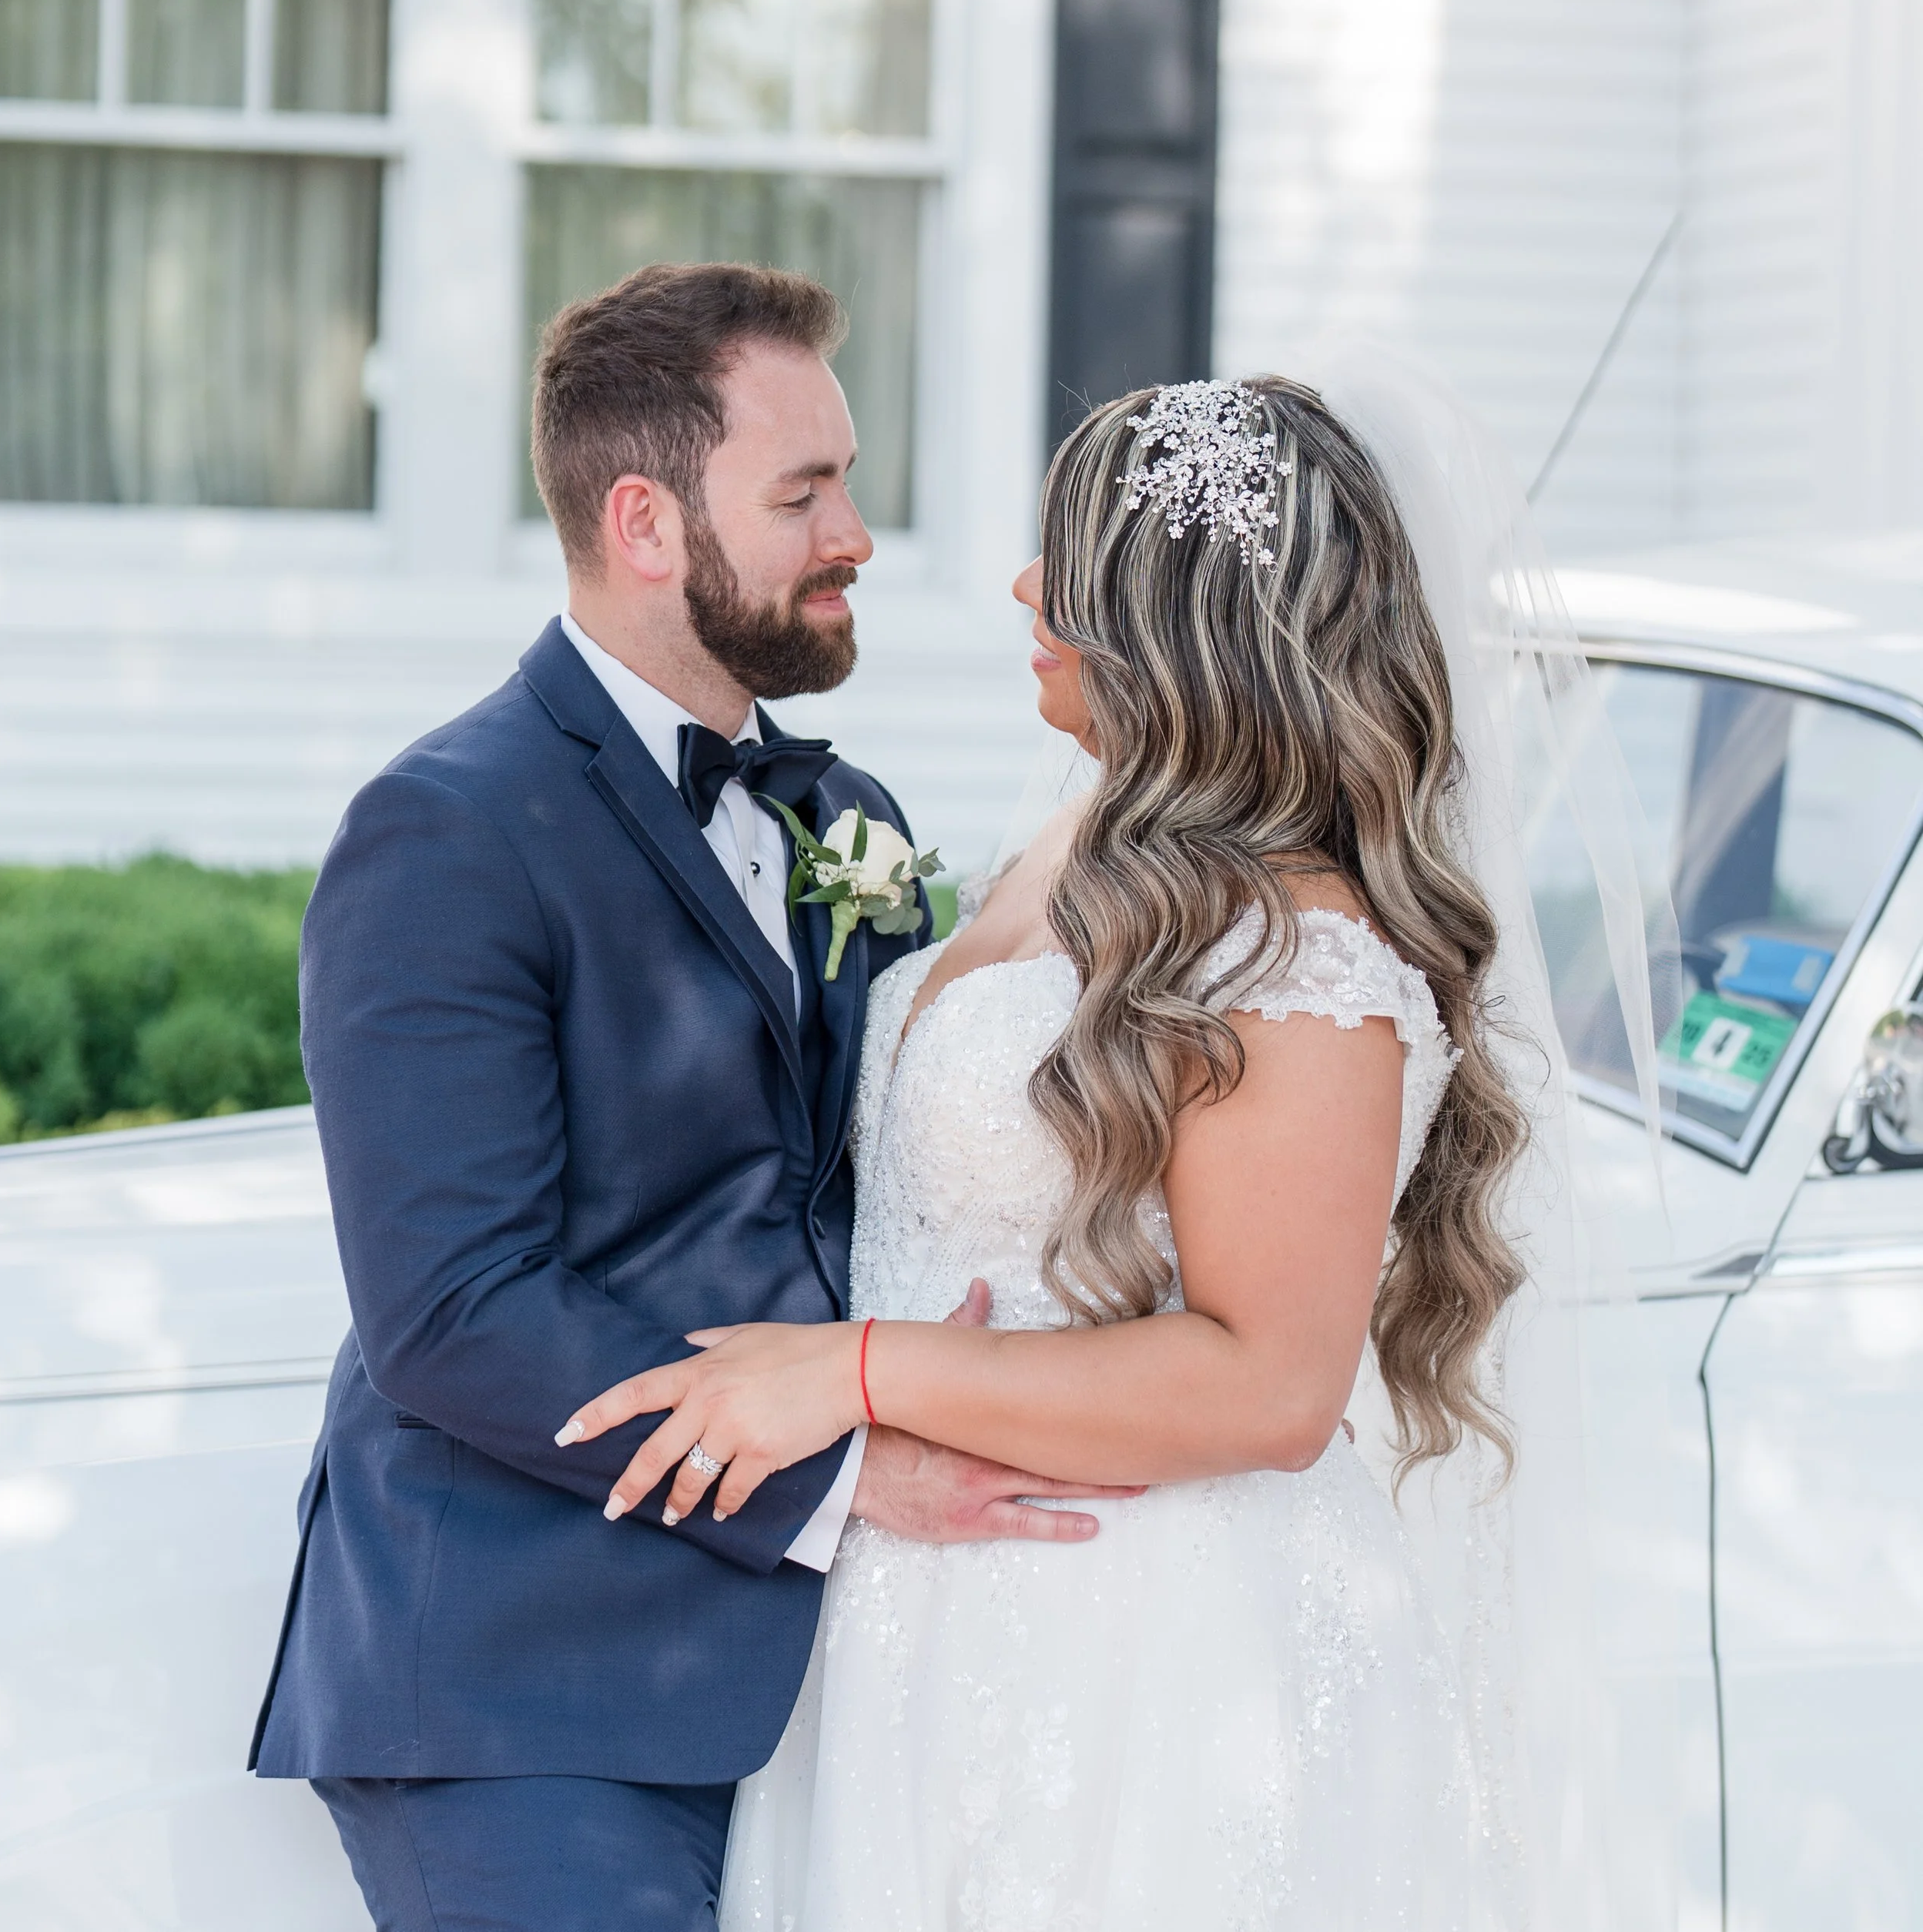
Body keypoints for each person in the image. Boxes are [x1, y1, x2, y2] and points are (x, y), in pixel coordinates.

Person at [558, 371, 1583, 1929]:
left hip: (1153, 1665)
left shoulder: (1292, 939)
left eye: (1071, 557)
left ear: (1186, 616)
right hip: (923, 1635)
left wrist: (845, 1369)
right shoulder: (1084, 839)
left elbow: (1267, 1383)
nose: (1025, 586)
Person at [249, 263, 1127, 1932]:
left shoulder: (840, 810)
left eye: (847, 479)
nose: (857, 530)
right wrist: (852, 1468)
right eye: (803, 493)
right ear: (644, 522)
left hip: (832, 1673)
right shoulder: (443, 829)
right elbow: (452, 1310)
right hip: (526, 1686)